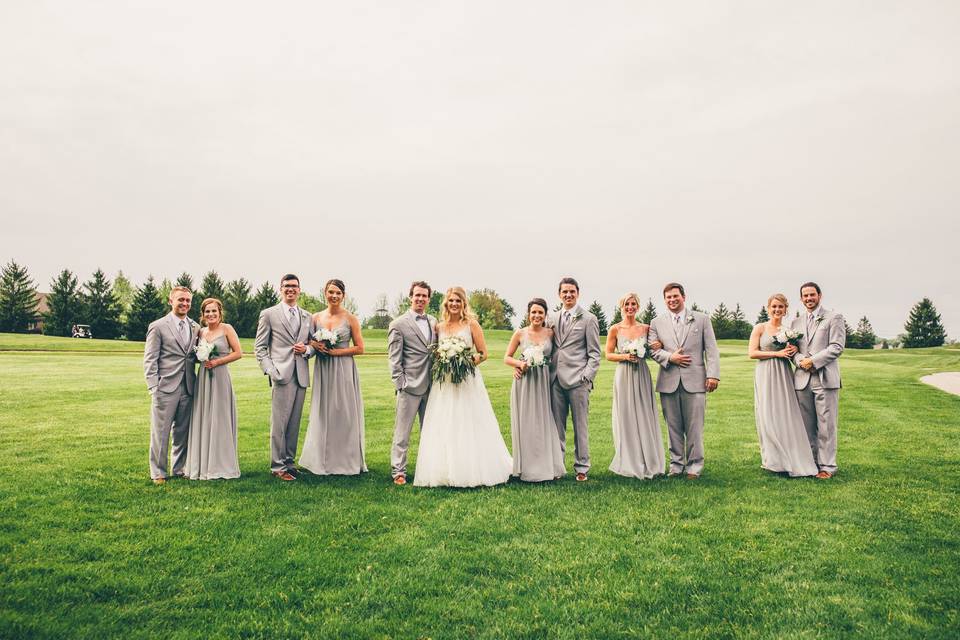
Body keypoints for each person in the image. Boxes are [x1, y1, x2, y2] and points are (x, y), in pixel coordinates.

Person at [413, 287, 512, 487]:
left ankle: (472, 468)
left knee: (469, 422)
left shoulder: (471, 324)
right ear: (446, 303)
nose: (454, 304)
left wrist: (464, 363)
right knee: (445, 422)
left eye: (458, 300)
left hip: (467, 380)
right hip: (445, 383)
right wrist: (445, 360)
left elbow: (484, 353)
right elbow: (435, 354)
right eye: (451, 301)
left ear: (464, 303)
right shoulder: (439, 327)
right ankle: (445, 470)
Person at [648, 282, 720, 479]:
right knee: (673, 426)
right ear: (664, 300)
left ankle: (694, 467)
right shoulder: (656, 323)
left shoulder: (702, 319)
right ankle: (676, 465)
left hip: (695, 381)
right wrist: (670, 357)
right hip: (668, 380)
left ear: (683, 297)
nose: (672, 300)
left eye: (675, 296)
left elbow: (712, 350)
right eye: (668, 297)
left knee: (694, 426)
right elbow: (652, 350)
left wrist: (713, 374)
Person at [299, 278, 367, 475]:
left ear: (343, 296)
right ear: (325, 293)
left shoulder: (351, 318)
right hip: (323, 370)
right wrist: (316, 345)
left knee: (344, 413)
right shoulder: (315, 318)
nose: (334, 296)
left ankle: (346, 460)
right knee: (323, 411)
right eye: (331, 292)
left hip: (344, 369)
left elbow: (360, 348)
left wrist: (336, 353)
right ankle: (323, 460)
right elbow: (309, 341)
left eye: (338, 293)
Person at [748, 294, 817, 477]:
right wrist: (777, 354)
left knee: (784, 413)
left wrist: (794, 350)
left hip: (784, 374)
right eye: (774, 307)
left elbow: (795, 354)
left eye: (781, 307)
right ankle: (773, 460)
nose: (777, 310)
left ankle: (790, 456)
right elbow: (752, 353)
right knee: (766, 414)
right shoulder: (760, 328)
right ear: (768, 308)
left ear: (785, 310)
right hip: (765, 373)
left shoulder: (789, 330)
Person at [254, 274, 314, 481]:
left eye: (294, 286)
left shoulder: (307, 316)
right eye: (287, 286)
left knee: (294, 422)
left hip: (301, 375)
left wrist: (306, 349)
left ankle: (289, 462)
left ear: (299, 290)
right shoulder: (269, 314)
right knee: (279, 423)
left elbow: (314, 345)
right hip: (281, 374)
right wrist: (271, 370)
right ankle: (277, 466)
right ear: (281, 289)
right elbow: (260, 348)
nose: (291, 289)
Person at [604, 292, 665, 479]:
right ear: (621, 307)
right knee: (627, 414)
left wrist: (656, 345)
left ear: (638, 307)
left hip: (641, 374)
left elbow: (657, 345)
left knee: (644, 413)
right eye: (626, 304)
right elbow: (608, 354)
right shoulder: (615, 329)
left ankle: (649, 460)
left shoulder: (646, 328)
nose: (629, 307)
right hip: (624, 374)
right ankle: (630, 460)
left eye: (633, 304)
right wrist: (624, 356)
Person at [504, 298, 564, 482]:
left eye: (540, 312)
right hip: (525, 382)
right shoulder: (520, 333)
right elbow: (507, 357)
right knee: (526, 422)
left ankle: (545, 466)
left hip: (543, 383)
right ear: (528, 314)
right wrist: (519, 364)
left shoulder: (551, 333)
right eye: (533, 312)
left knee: (543, 422)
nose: (537, 315)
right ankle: (525, 467)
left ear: (545, 315)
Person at [144, 286, 199, 485]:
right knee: (160, 432)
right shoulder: (158, 326)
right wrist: (153, 387)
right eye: (181, 300)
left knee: (182, 431)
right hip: (165, 387)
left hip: (188, 386)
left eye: (188, 301)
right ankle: (158, 472)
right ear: (171, 301)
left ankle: (179, 468)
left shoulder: (195, 327)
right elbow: (150, 359)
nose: (185, 304)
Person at [548, 277, 601, 482]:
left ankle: (582, 467)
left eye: (572, 291)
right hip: (555, 380)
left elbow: (595, 354)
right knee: (557, 427)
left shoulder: (589, 319)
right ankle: (558, 466)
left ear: (578, 293)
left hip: (578, 380)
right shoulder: (551, 318)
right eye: (564, 292)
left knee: (581, 426)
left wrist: (586, 377)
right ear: (559, 294)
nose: (568, 295)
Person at [790, 282, 845, 479]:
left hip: (825, 379)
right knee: (806, 426)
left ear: (819, 295)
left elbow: (837, 347)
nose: (809, 299)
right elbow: (792, 350)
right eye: (805, 296)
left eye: (812, 295)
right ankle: (810, 464)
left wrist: (812, 361)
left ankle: (827, 466)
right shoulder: (795, 323)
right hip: (802, 380)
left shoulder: (834, 318)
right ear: (801, 298)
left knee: (826, 425)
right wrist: (799, 361)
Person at [185, 298, 243, 480]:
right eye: (207, 312)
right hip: (203, 378)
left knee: (220, 417)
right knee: (204, 417)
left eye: (214, 311)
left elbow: (238, 353)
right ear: (202, 315)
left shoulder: (227, 329)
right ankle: (202, 465)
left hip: (220, 377)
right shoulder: (200, 332)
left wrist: (217, 361)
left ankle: (221, 464)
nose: (211, 314)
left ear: (220, 313)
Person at [388, 281, 437, 485]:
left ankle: (430, 469)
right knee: (403, 433)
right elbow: (393, 358)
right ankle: (398, 471)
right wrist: (401, 383)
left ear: (428, 298)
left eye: (424, 296)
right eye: (417, 295)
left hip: (433, 386)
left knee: (431, 431)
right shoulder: (398, 324)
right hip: (409, 387)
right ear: (411, 297)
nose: (420, 299)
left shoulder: (434, 322)